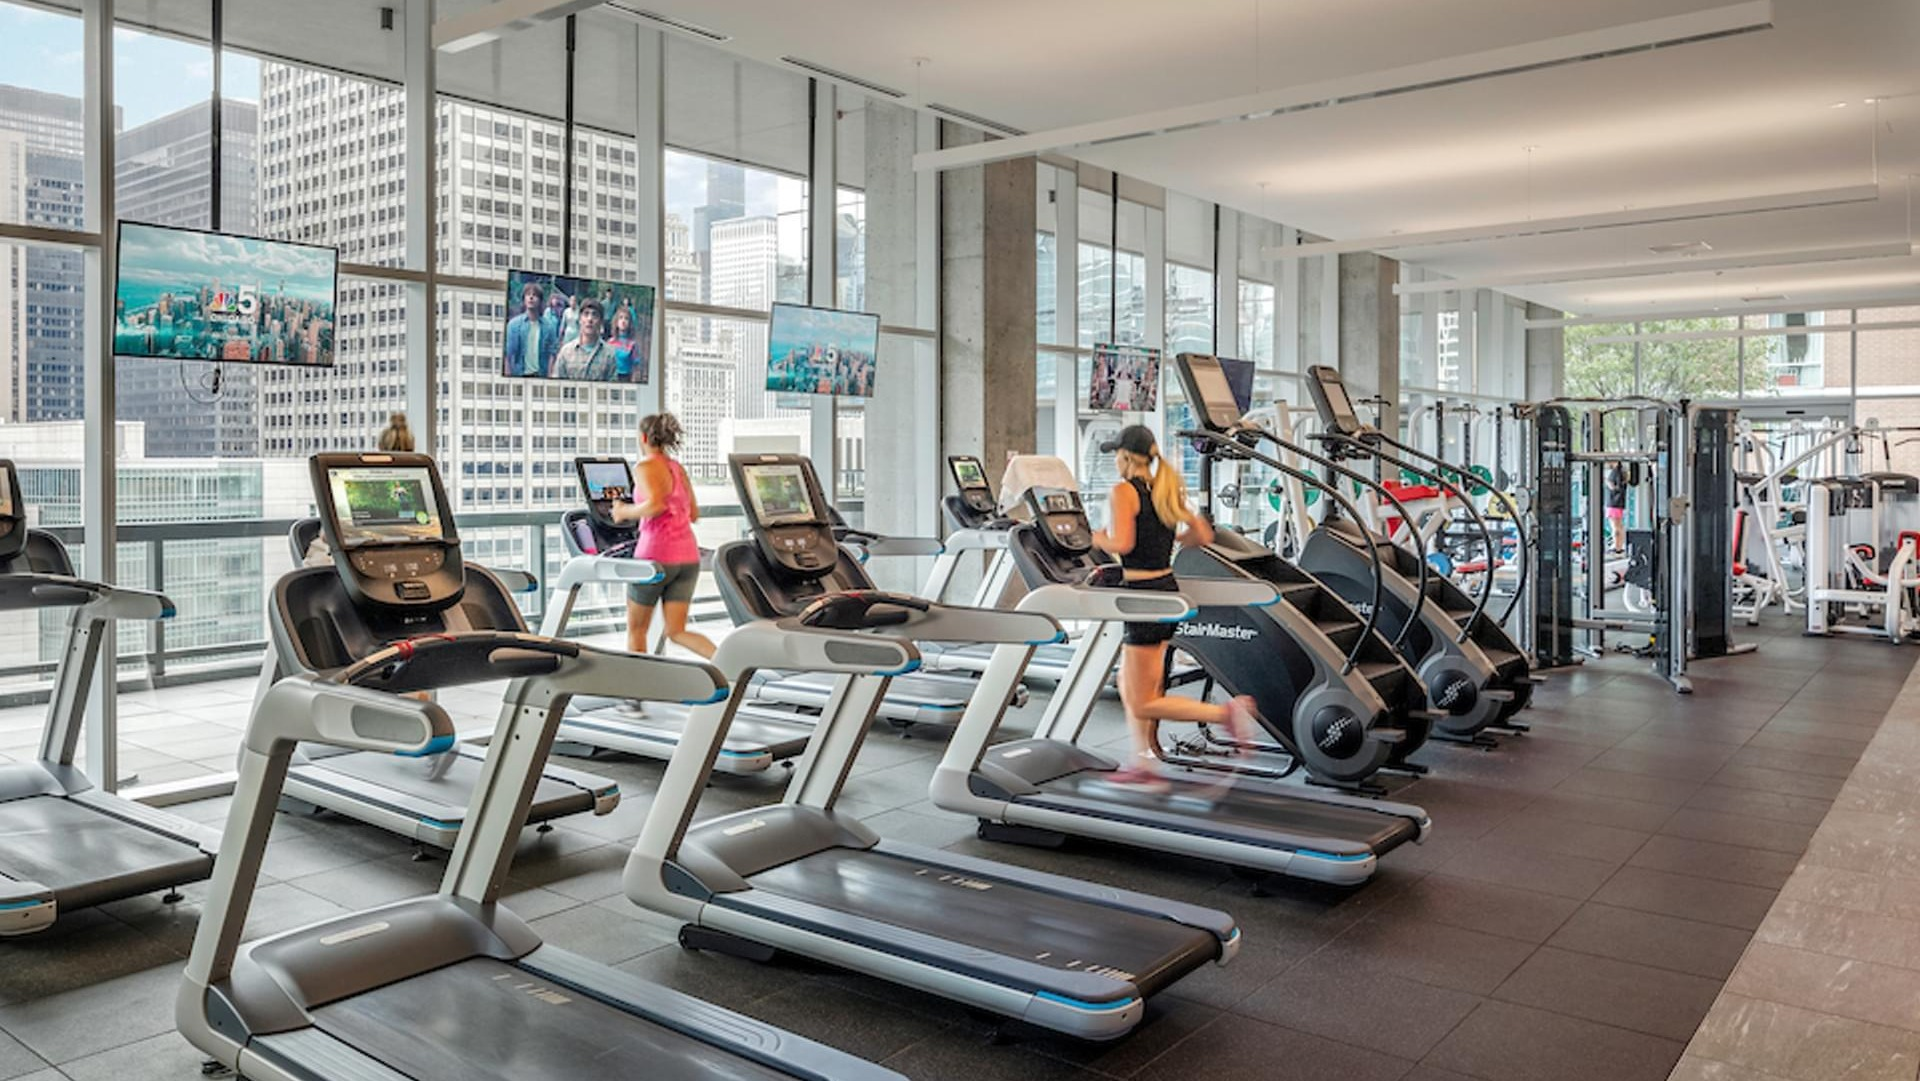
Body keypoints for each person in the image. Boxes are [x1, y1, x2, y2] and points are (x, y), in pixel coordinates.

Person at [1090, 424, 1256, 791]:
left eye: (1116, 454)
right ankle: (1143, 761)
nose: (1115, 460)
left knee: (1143, 700)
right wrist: (1171, 538)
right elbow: (1202, 533)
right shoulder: (1162, 488)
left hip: (1143, 597)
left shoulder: (1124, 491)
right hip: (1166, 589)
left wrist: (1096, 537)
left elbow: (1122, 541)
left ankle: (1225, 713)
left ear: (1125, 456)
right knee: (1131, 682)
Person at [610, 413, 714, 662]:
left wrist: (623, 511)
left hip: (655, 558)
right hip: (688, 558)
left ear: (643, 437)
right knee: (676, 631)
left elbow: (656, 506)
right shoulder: (677, 468)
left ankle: (637, 691)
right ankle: (729, 664)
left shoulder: (645, 466)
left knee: (637, 630)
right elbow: (694, 513)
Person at [551, 300, 616, 381]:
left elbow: (613, 387)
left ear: (601, 321)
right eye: (586, 314)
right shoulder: (566, 352)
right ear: (580, 320)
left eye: (594, 315)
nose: (590, 319)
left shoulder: (609, 354)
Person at [504, 280, 558, 377]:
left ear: (540, 301)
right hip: (520, 374)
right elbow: (508, 354)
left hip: (541, 374)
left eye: (535, 295)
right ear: (524, 299)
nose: (531, 297)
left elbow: (552, 353)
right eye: (528, 294)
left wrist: (550, 375)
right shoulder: (514, 325)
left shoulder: (549, 326)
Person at [607, 305, 644, 382]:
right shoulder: (610, 342)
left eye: (626, 318)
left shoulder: (632, 344)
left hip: (626, 377)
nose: (623, 321)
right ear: (616, 322)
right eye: (620, 318)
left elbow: (636, 365)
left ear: (630, 323)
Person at [1605, 463, 1628, 554]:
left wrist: (1607, 482)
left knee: (1615, 526)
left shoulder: (1615, 473)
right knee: (1618, 526)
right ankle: (1619, 545)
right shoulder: (1621, 472)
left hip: (1614, 503)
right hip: (1618, 503)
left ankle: (1617, 546)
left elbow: (1615, 487)